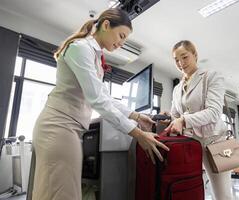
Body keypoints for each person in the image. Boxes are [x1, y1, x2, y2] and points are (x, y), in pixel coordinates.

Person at [32, 8, 169, 200]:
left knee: (56, 191)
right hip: (58, 126)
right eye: (121, 35)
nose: (121, 43)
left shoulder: (93, 55)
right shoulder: (81, 48)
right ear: (106, 25)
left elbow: (105, 96)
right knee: (61, 193)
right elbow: (98, 100)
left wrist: (136, 116)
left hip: (66, 127)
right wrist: (138, 134)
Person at [163, 40, 232, 200]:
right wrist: (170, 118)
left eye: (184, 57)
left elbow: (214, 112)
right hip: (191, 147)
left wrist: (184, 120)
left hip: (215, 144)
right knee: (195, 192)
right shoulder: (176, 88)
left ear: (195, 55)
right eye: (176, 60)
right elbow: (176, 115)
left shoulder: (212, 76)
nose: (180, 63)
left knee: (222, 196)